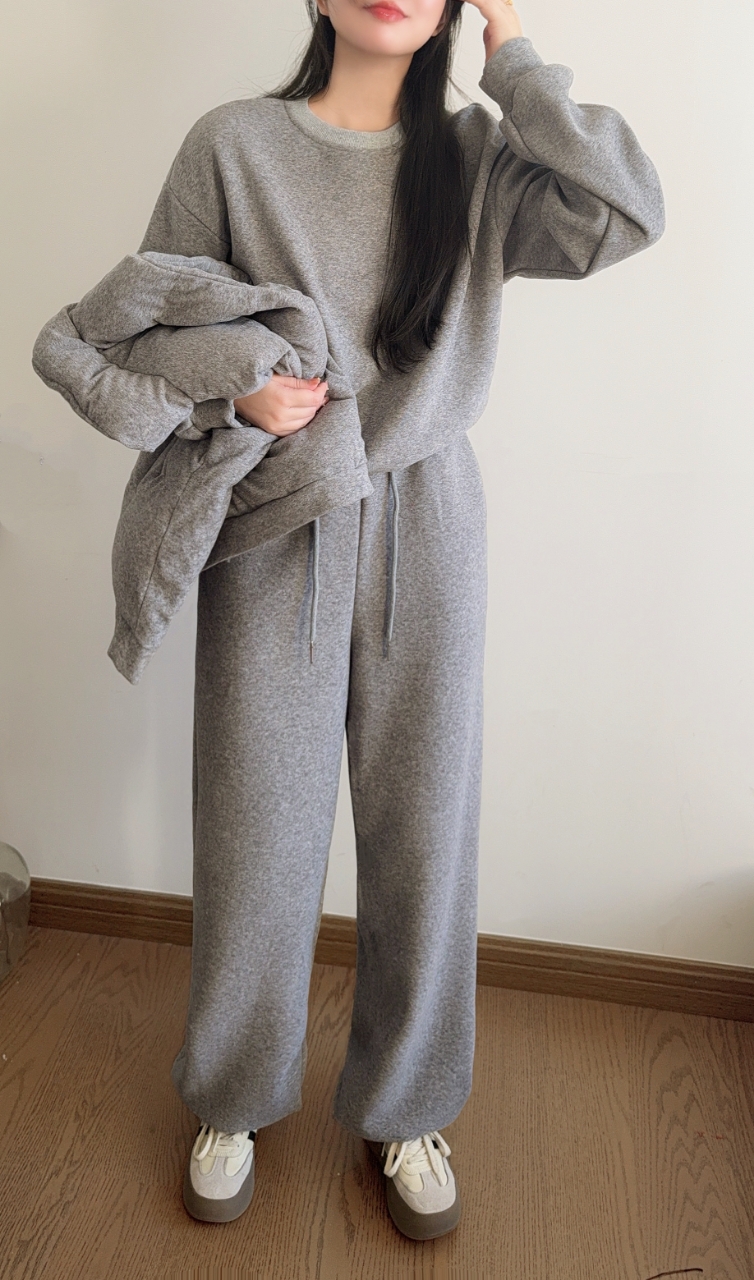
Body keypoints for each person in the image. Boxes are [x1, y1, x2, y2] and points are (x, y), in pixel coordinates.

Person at [136, 0, 664, 1240]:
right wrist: (237, 394)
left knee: (425, 822)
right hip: (276, 519)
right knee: (255, 820)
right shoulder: (233, 146)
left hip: (430, 519)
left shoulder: (477, 158)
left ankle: (409, 1105)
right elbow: (152, 331)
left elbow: (625, 209)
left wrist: (513, 56)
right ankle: (233, 1094)